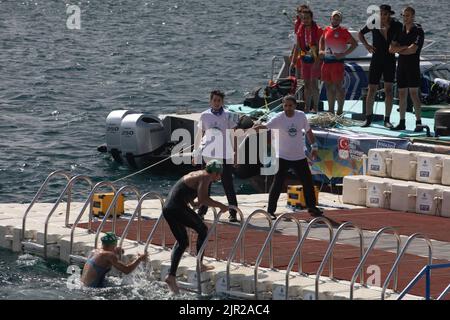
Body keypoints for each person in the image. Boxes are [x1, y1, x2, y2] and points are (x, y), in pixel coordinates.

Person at [163, 160, 229, 294]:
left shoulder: (199, 174)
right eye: (219, 174)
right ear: (215, 173)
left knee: (183, 242)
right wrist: (221, 206)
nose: (220, 177)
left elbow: (183, 189)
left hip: (169, 208)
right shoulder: (206, 177)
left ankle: (171, 276)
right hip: (176, 208)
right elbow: (204, 199)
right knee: (203, 230)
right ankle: (199, 263)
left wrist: (192, 202)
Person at [253, 95, 323, 218]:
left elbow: (308, 131)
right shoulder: (278, 118)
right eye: (285, 105)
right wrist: (253, 129)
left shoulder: (301, 116)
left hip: (299, 156)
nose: (288, 108)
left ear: (295, 106)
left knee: (307, 182)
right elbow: (266, 127)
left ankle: (312, 207)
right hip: (283, 157)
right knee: (277, 183)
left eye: (290, 105)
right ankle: (270, 211)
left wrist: (314, 146)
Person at [193, 90, 239, 222]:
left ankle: (233, 212)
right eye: (215, 100)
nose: (217, 103)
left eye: (219, 100)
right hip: (208, 154)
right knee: (205, 184)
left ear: (222, 102)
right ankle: (202, 211)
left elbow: (233, 134)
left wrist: (235, 152)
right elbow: (200, 134)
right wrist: (196, 153)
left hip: (224, 154)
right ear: (210, 101)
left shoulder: (229, 115)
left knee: (228, 184)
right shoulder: (204, 115)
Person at [359, 5, 403, 128]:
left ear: (389, 14)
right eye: (380, 14)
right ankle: (368, 118)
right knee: (371, 89)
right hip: (376, 59)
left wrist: (399, 46)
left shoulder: (397, 25)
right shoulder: (373, 22)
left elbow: (402, 38)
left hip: (389, 59)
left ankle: (387, 119)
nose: (382, 16)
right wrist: (367, 45)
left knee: (388, 90)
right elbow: (360, 33)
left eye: (385, 14)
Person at [389, 6, 424, 131]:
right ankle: (402, 122)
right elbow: (391, 49)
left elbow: (413, 50)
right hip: (401, 66)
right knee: (401, 94)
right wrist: (404, 48)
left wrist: (400, 49)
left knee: (414, 94)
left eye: (407, 15)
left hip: (413, 66)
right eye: (403, 15)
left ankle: (418, 122)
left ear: (413, 16)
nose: (405, 18)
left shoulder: (418, 31)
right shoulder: (399, 30)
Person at [319, 10, 358, 115]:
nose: (335, 20)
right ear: (330, 19)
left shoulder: (344, 31)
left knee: (338, 87)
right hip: (327, 62)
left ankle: (339, 110)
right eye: (334, 18)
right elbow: (322, 40)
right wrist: (320, 50)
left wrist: (343, 54)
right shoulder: (326, 29)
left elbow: (355, 44)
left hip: (337, 63)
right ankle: (331, 111)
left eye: (338, 19)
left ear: (340, 20)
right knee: (328, 86)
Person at [80, 232, 147, 288]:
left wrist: (116, 250)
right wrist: (139, 259)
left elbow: (111, 252)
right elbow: (127, 270)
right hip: (91, 290)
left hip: (82, 286)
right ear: (114, 244)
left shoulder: (95, 251)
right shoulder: (109, 255)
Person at [292, 9, 323, 113]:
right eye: (303, 18)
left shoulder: (318, 30)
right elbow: (297, 46)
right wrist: (293, 61)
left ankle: (316, 107)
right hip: (304, 60)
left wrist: (318, 61)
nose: (305, 20)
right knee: (307, 84)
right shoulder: (300, 30)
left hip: (315, 59)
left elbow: (321, 46)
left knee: (314, 84)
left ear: (311, 18)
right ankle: (307, 107)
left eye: (307, 18)